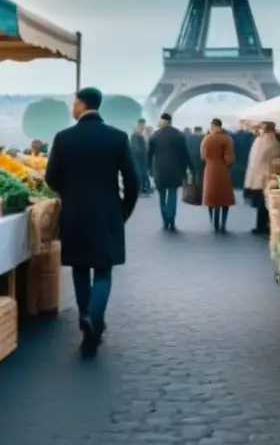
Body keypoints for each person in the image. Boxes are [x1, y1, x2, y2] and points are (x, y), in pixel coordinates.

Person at [44, 87, 139, 358]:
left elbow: (51, 177)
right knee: (104, 270)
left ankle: (85, 316)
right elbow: (133, 180)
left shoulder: (63, 138)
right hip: (107, 211)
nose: (71, 108)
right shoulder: (118, 138)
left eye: (73, 103)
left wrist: (69, 192)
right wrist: (123, 211)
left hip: (74, 212)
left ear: (81, 104)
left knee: (80, 269)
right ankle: (95, 318)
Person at [147, 113, 192, 231]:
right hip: (175, 170)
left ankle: (165, 219)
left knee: (161, 196)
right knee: (172, 194)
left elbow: (149, 154)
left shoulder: (155, 135)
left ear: (162, 121)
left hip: (160, 170)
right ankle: (171, 219)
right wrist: (189, 168)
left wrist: (149, 169)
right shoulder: (179, 135)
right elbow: (185, 154)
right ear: (171, 121)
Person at [244, 121, 280, 235]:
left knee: (261, 203)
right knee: (264, 203)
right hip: (265, 174)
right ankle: (262, 226)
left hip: (257, 175)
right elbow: (278, 151)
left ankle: (260, 225)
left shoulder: (259, 140)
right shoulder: (269, 140)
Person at [201, 118, 236, 232]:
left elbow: (203, 156)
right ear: (220, 126)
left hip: (210, 169)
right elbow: (229, 158)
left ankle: (213, 221)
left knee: (211, 198)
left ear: (213, 126)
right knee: (224, 198)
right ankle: (223, 223)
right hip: (222, 170)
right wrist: (227, 163)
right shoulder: (227, 139)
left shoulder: (206, 139)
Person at [231, 120, 254, 194]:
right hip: (246, 156)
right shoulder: (250, 135)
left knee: (236, 171)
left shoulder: (234, 135)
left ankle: (236, 185)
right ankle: (243, 186)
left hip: (236, 156)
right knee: (244, 172)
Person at [130, 119, 152, 196]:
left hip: (141, 157)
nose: (143, 126)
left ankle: (144, 188)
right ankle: (142, 188)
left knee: (143, 172)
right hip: (139, 157)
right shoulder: (136, 135)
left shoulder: (140, 134)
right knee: (141, 172)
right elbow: (136, 148)